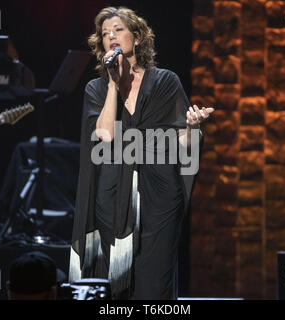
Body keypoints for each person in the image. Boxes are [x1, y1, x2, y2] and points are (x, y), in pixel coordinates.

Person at [69, 7, 214, 299]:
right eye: (105, 33)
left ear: (136, 38)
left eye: (118, 30)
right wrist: (113, 84)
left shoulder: (165, 82)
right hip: (110, 196)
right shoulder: (96, 89)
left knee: (154, 281)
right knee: (115, 281)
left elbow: (183, 146)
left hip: (159, 194)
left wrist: (192, 127)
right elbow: (106, 136)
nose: (111, 36)